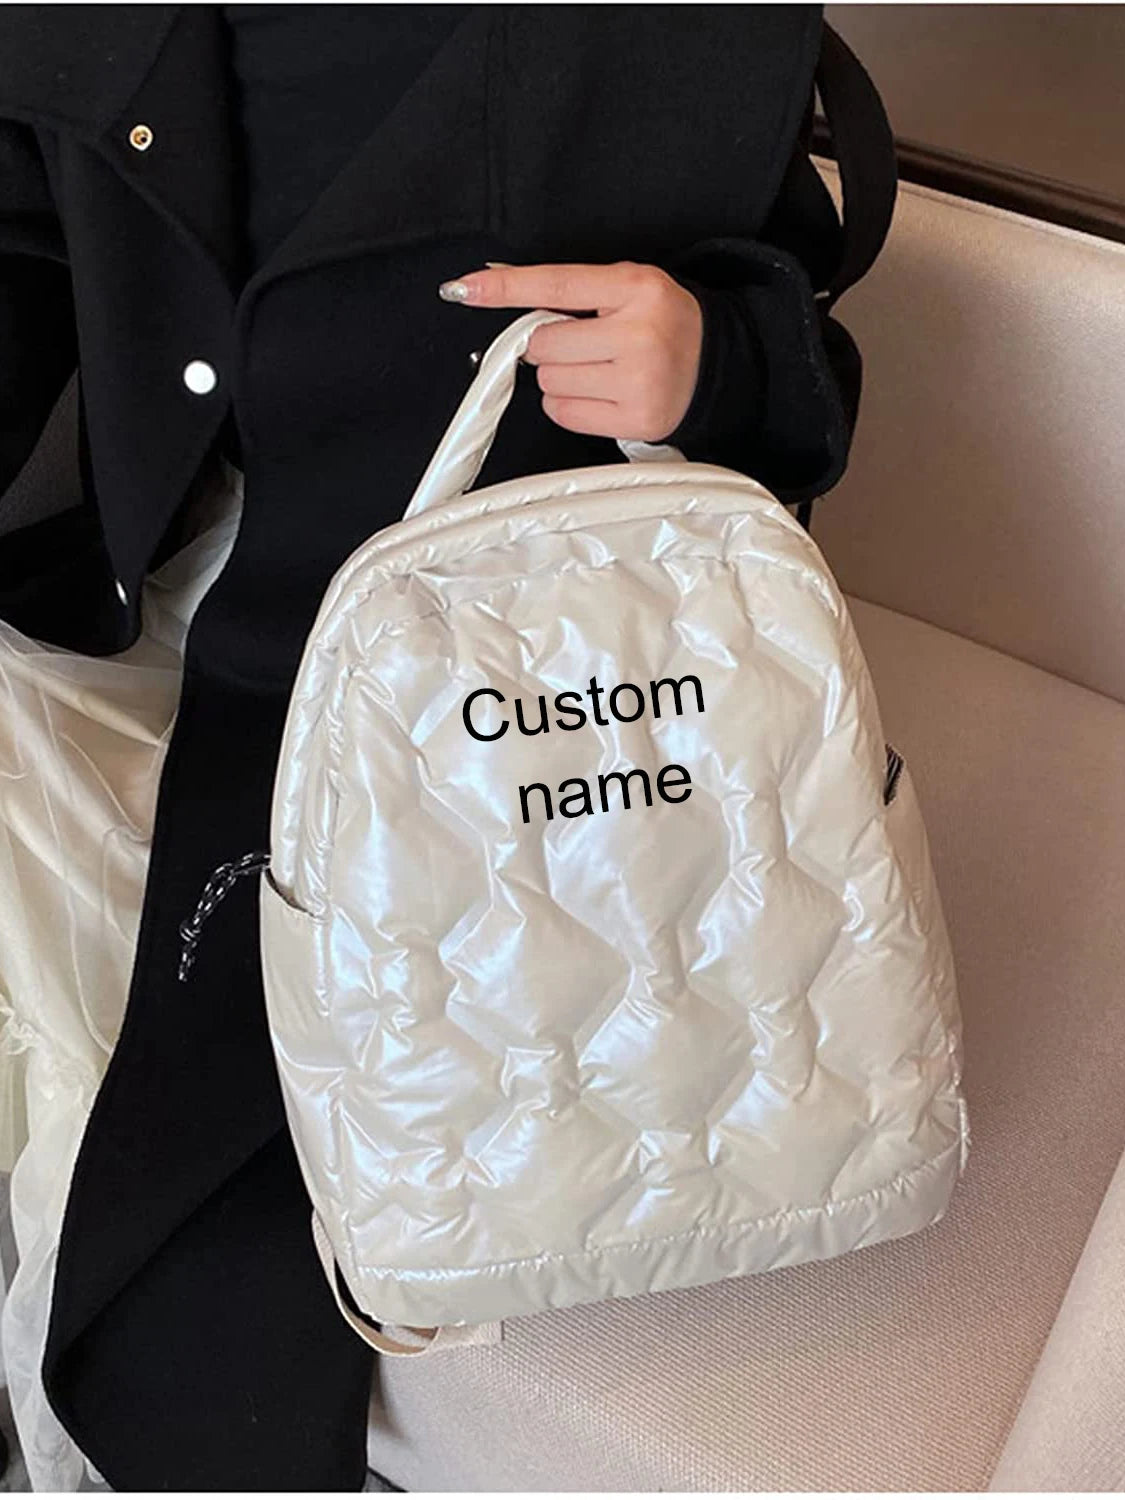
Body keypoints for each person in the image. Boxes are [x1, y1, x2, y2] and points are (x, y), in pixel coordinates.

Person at [0, 4, 893, 1489]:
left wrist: (708, 359)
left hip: (494, 662)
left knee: (220, 1185)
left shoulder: (645, 35)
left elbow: (794, 348)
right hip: (134, 591)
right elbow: (40, 227)